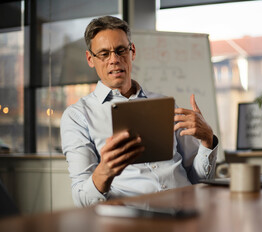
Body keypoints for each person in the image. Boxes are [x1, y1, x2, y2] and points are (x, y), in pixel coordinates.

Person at [60, 16, 218, 207]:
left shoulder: (165, 104)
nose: (114, 60)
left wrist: (208, 140)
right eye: (103, 54)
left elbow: (198, 179)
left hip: (188, 211)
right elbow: (82, 200)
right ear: (90, 59)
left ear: (132, 51)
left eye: (120, 50)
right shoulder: (78, 116)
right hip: (136, 222)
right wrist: (105, 172)